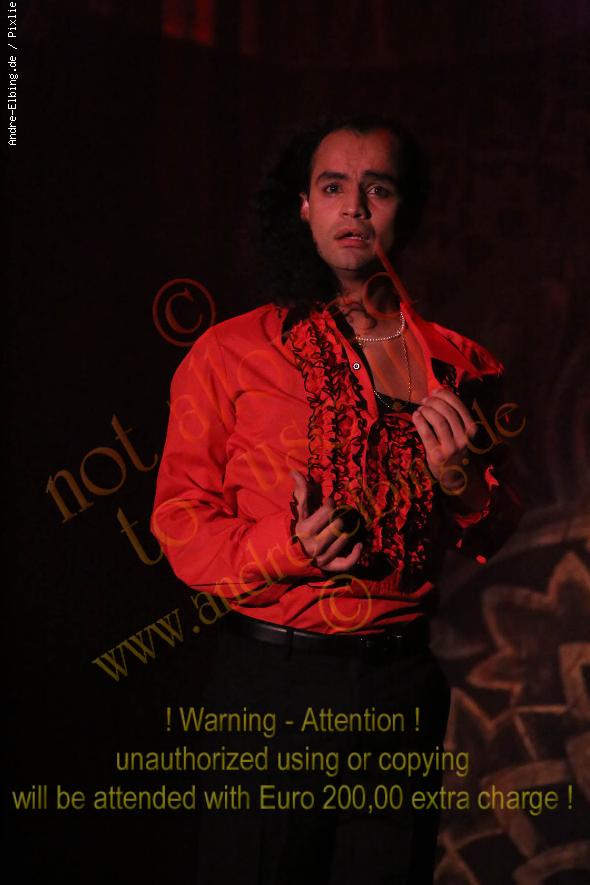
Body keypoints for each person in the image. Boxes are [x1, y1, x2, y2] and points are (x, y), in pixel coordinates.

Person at [150, 114, 523, 884]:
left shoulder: (463, 364)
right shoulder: (228, 353)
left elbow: (496, 524)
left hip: (400, 683)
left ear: (404, 208)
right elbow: (179, 525)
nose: (354, 207)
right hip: (273, 684)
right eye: (332, 187)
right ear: (303, 207)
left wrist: (459, 481)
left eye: (377, 189)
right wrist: (288, 548)